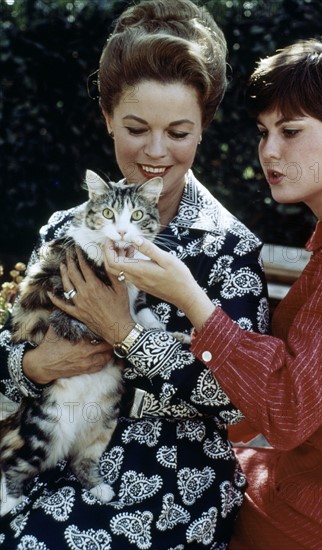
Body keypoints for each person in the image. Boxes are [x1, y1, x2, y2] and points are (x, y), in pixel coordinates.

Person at [0, 0, 269, 547]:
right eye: (136, 127)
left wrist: (129, 336)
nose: (155, 151)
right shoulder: (64, 229)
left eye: (178, 132)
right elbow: (12, 347)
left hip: (171, 467)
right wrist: (33, 365)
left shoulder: (229, 246)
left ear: (202, 131)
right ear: (107, 119)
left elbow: (244, 398)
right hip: (49, 443)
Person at [105, 35, 322, 549]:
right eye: (264, 131)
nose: (269, 150)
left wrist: (191, 300)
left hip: (315, 525)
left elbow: (287, 412)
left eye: (291, 131)